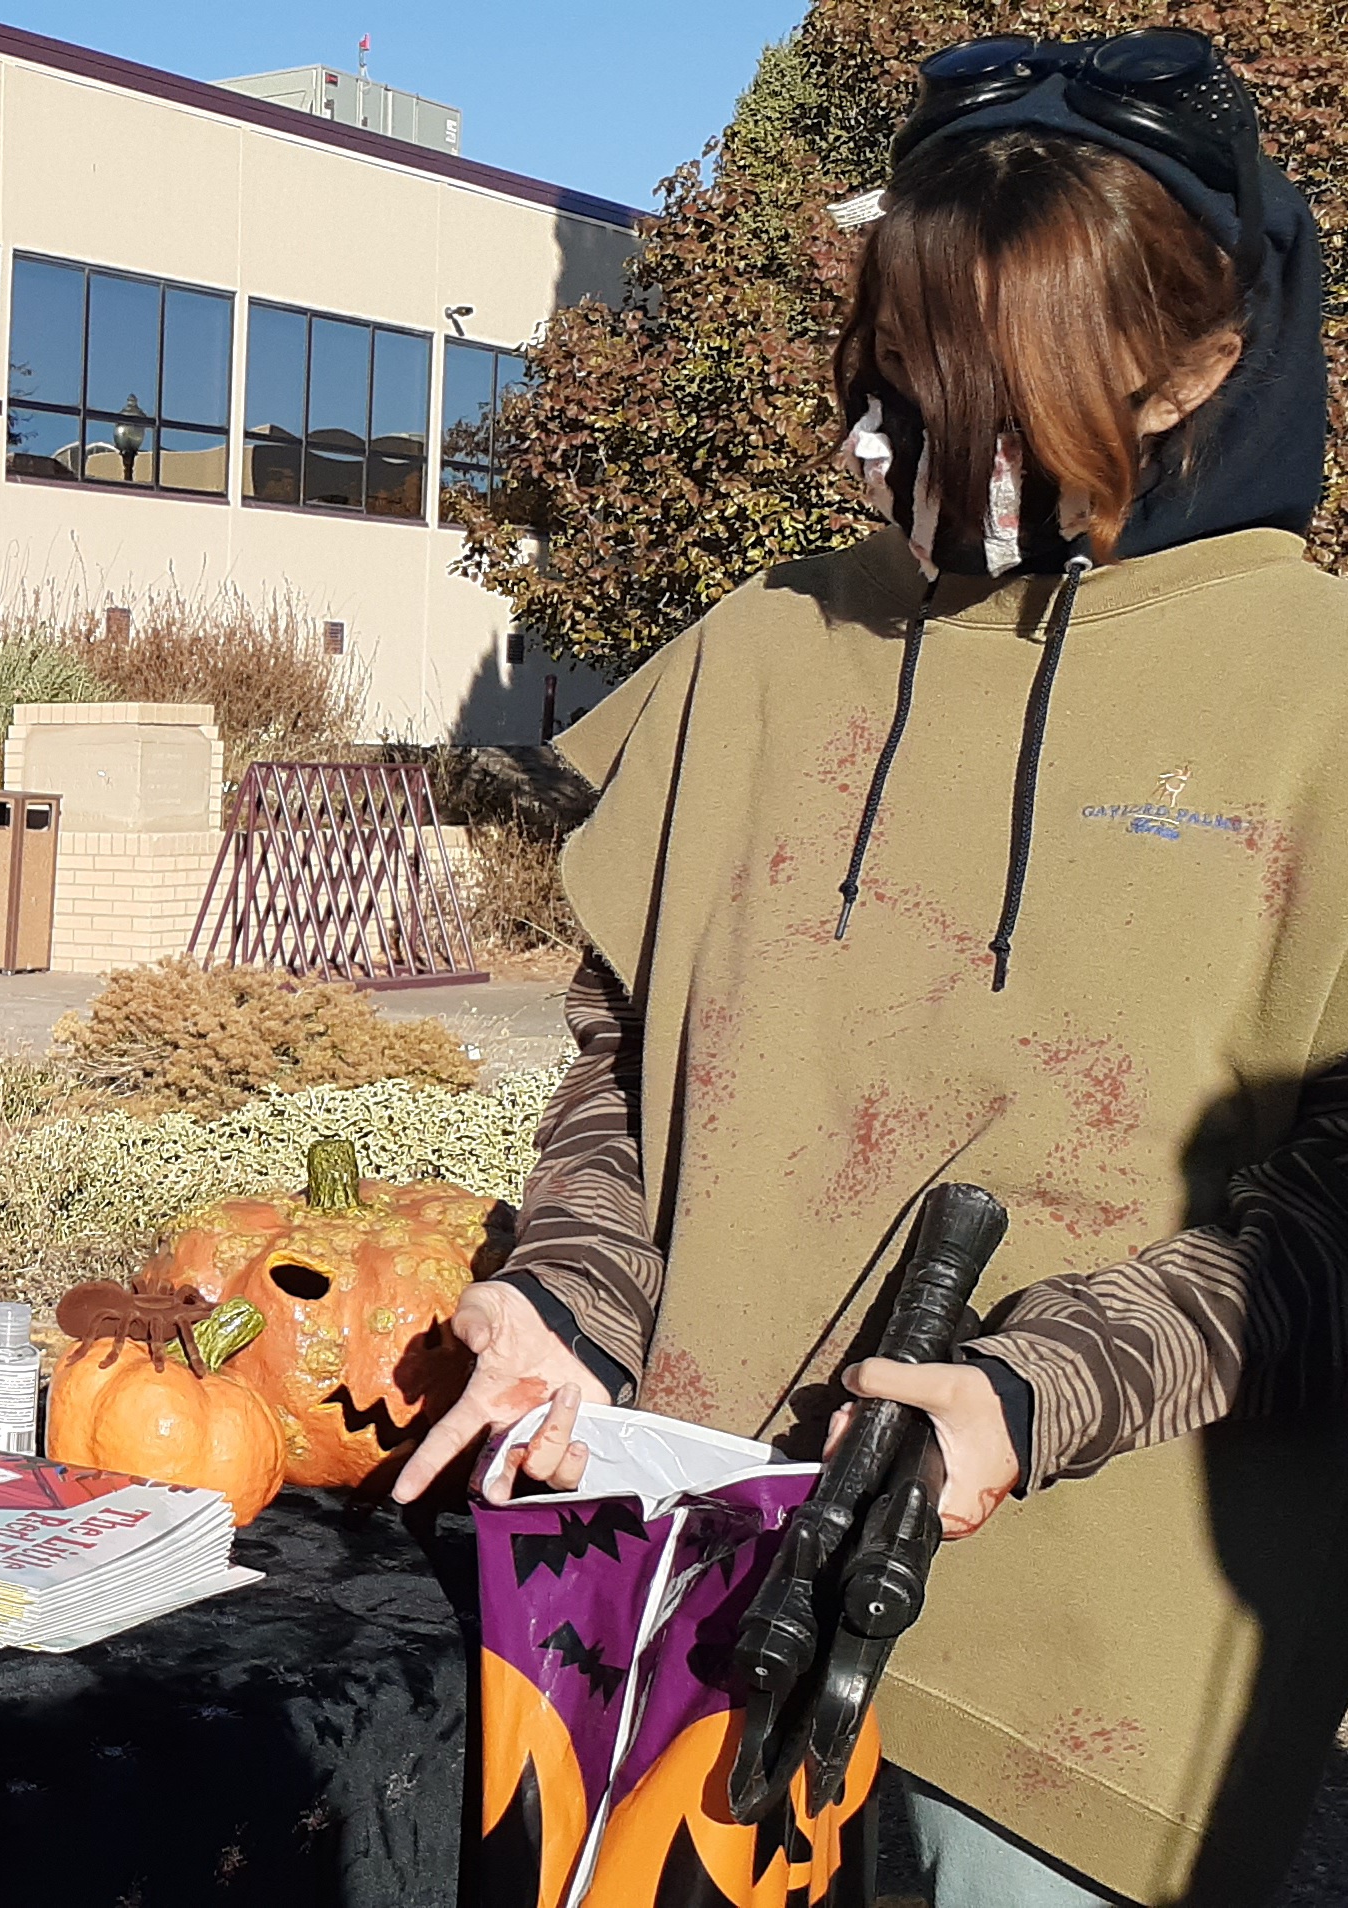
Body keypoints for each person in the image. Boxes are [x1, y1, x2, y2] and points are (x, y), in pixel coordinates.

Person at [392, 29, 1348, 1905]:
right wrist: (568, 1294)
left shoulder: (1312, 689)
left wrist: (1041, 1382)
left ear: (1207, 361)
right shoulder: (764, 644)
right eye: (911, 352)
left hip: (1089, 1691)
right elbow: (626, 1056)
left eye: (1011, 371)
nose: (933, 415)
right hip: (690, 1601)